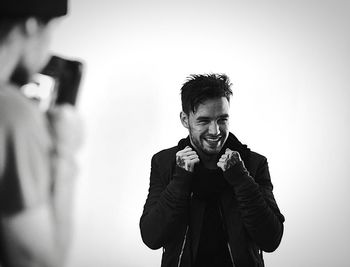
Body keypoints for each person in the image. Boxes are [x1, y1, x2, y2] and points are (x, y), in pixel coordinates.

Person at [140, 74, 285, 267]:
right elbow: (152, 237)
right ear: (185, 119)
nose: (215, 131)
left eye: (222, 119)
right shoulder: (165, 162)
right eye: (204, 121)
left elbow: (271, 239)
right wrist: (180, 179)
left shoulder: (253, 163)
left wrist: (241, 179)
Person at [0, 0, 82, 266]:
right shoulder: (13, 113)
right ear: (32, 25)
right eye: (52, 32)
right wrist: (64, 151)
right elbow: (41, 261)